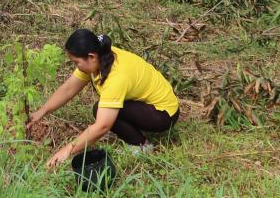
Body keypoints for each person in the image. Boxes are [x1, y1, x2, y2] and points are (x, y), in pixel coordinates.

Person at [28, 29, 179, 168]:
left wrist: (66, 151)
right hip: (144, 103)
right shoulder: (100, 57)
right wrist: (41, 112)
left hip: (163, 113)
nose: (76, 66)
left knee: (103, 112)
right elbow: (68, 89)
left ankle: (142, 145)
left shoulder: (117, 77)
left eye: (76, 62)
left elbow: (102, 126)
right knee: (100, 108)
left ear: (91, 57)